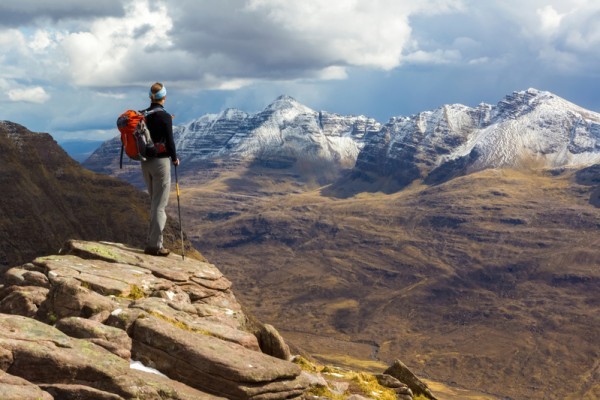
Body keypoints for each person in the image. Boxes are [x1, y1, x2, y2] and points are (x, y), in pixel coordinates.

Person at [142, 82, 179, 256]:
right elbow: (170, 142)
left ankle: (152, 241)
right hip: (161, 163)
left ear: (151, 97)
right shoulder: (164, 117)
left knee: (154, 203)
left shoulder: (143, 115)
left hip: (145, 163)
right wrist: (175, 158)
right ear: (164, 97)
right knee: (160, 205)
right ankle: (155, 246)